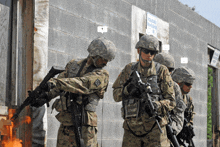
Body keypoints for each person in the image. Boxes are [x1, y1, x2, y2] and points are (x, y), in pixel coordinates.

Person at [31, 37, 117, 147]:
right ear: (94, 54)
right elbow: (59, 85)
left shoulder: (102, 74)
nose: (105, 62)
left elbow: (83, 84)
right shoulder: (73, 65)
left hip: (85, 127)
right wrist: (46, 96)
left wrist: (56, 83)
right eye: (103, 58)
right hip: (67, 122)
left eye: (108, 60)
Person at [112, 34, 176, 147]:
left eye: (152, 53)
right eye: (146, 51)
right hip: (131, 130)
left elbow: (171, 101)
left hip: (155, 130)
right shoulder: (129, 69)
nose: (149, 55)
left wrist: (157, 105)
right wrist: (128, 90)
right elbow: (116, 95)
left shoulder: (161, 71)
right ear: (138, 50)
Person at [154, 52, 186, 135]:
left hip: (164, 130)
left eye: (171, 70)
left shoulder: (174, 86)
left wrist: (173, 128)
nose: (168, 73)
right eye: (166, 69)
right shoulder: (146, 82)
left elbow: (179, 110)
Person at [171, 67, 196, 147]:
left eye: (191, 84)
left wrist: (189, 126)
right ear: (178, 83)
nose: (190, 87)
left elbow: (190, 117)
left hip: (179, 137)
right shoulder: (168, 97)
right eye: (188, 84)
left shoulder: (188, 99)